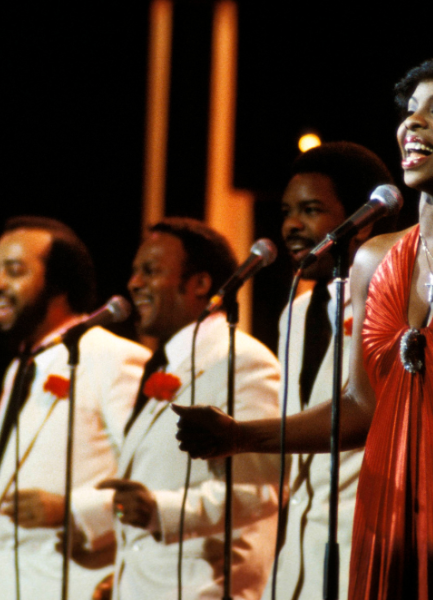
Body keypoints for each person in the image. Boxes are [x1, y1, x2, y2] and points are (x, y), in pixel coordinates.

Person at [176, 59, 433, 600]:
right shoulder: (373, 259)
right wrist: (237, 436)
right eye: (409, 111)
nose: (412, 123)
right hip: (388, 518)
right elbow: (361, 407)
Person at [0, 216, 148, 600]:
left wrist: (72, 510)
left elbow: (154, 486)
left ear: (59, 285)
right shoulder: (19, 370)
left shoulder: (113, 359)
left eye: (14, 271)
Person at [73, 218, 283, 599]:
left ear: (200, 284)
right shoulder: (166, 364)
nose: (134, 283)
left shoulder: (242, 361)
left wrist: (158, 509)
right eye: (135, 271)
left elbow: (262, 490)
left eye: (150, 271)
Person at [271, 142, 393, 600]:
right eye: (287, 211)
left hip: (366, 544)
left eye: (311, 210)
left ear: (364, 219)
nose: (291, 226)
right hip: (295, 558)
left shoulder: (388, 298)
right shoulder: (295, 312)